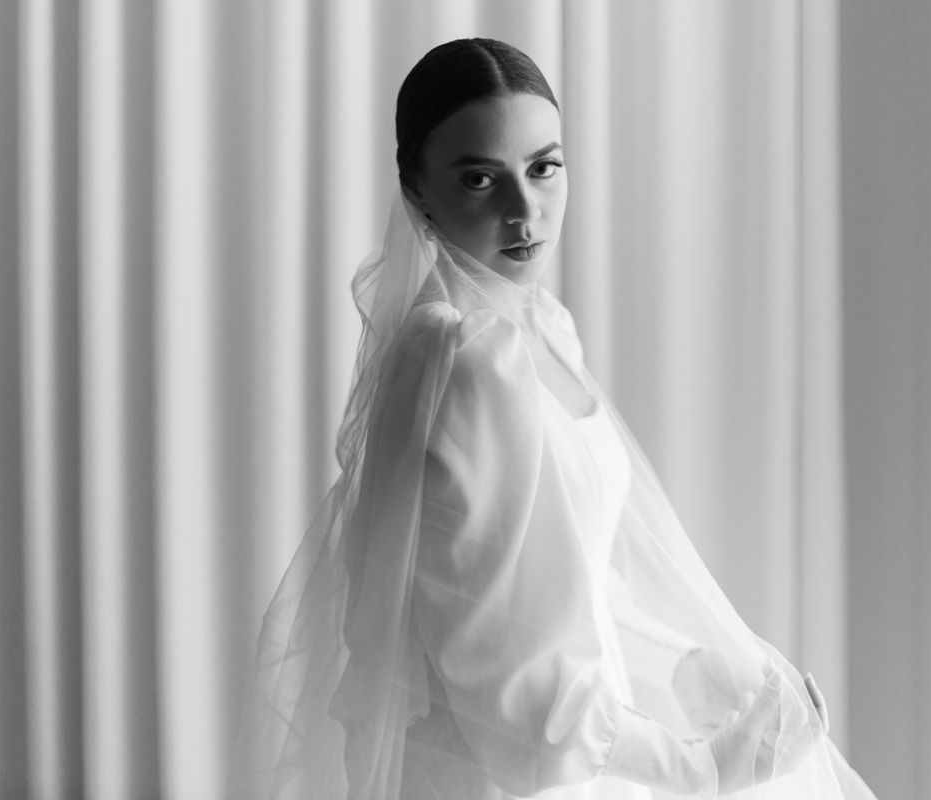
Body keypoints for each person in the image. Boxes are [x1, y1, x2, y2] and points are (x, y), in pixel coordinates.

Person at [231, 38, 878, 800]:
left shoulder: (541, 329)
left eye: (544, 168)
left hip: (576, 757)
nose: (523, 210)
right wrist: (702, 767)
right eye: (480, 178)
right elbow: (509, 687)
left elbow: (575, 587)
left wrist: (691, 668)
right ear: (417, 191)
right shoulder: (467, 361)